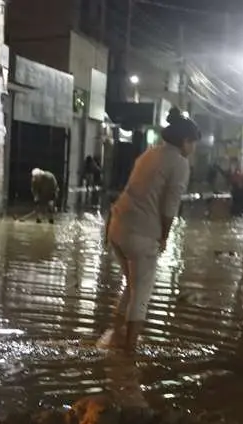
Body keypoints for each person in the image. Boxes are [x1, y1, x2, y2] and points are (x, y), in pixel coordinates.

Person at [106, 107, 200, 353]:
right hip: (142, 233)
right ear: (185, 141)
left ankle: (116, 334)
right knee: (142, 290)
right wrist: (165, 237)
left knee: (131, 283)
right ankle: (130, 349)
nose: (193, 149)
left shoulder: (149, 154)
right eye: (193, 143)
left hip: (117, 225)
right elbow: (170, 207)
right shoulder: (180, 163)